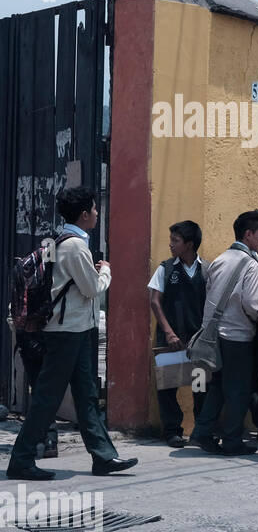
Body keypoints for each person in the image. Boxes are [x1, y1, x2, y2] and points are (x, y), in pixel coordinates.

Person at [6, 187, 136, 480]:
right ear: (84, 214)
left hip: (76, 329)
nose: (97, 213)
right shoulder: (75, 246)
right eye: (94, 208)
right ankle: (22, 459)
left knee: (87, 394)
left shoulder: (60, 239)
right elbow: (92, 289)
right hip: (66, 332)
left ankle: (103, 457)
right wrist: (106, 271)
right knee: (48, 397)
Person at [190, 209, 258, 456]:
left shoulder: (220, 259)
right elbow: (253, 304)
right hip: (238, 336)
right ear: (248, 234)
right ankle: (232, 440)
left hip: (214, 335)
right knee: (237, 391)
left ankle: (202, 432)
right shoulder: (250, 263)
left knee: (217, 386)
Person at [148, 220, 206, 448]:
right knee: (168, 387)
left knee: (200, 386)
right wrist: (169, 332)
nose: (171, 244)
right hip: (170, 340)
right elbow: (154, 301)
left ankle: (201, 430)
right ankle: (172, 431)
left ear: (189, 244)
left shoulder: (207, 270)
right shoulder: (166, 268)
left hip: (198, 342)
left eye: (176, 240)